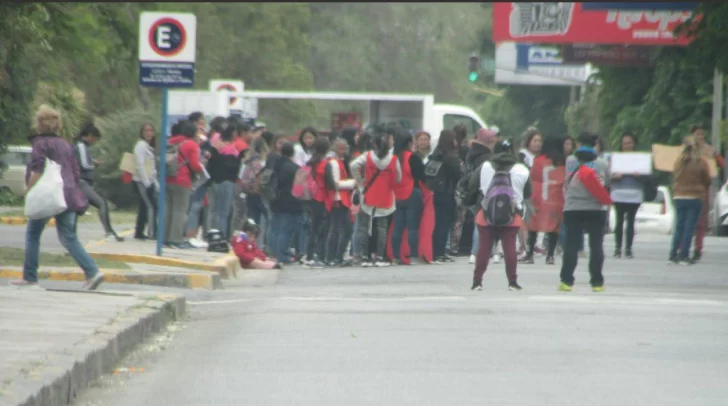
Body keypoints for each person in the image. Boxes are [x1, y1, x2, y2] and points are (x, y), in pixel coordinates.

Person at [10, 105, 104, 290]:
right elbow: (75, 171)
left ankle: (30, 277)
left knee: (33, 234)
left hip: (48, 196)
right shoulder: (65, 144)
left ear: (39, 124)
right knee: (69, 237)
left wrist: (27, 190)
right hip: (68, 195)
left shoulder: (40, 143)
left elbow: (38, 168)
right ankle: (92, 271)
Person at [471, 139, 531, 291]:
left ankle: (477, 282)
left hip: (486, 213)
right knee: (510, 247)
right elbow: (528, 193)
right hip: (512, 214)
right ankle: (512, 282)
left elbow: (473, 186)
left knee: (484, 248)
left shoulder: (484, 166)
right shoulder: (522, 169)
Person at [559, 133, 612, 293]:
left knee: (571, 245)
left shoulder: (570, 161)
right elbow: (607, 183)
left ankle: (566, 281)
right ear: (596, 144)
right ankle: (597, 282)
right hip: (595, 209)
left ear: (579, 144)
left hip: (572, 208)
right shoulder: (602, 163)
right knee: (596, 245)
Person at [349, 133, 402, 267]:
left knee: (365, 227)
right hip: (385, 196)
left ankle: (365, 257)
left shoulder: (367, 156)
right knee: (382, 228)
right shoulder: (394, 159)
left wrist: (361, 181)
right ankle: (379, 257)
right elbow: (399, 178)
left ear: (374, 144)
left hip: (368, 195)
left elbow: (353, 165)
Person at [73, 123, 125, 242]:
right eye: (95, 138)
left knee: (76, 211)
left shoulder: (81, 146)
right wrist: (94, 164)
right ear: (90, 136)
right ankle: (109, 232)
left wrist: (92, 161)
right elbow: (84, 164)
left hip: (82, 182)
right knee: (102, 203)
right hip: (81, 182)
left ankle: (72, 239)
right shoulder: (81, 146)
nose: (95, 142)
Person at [520, 136, 566, 265]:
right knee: (554, 228)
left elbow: (534, 178)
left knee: (533, 227)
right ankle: (550, 255)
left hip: (540, 198)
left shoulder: (539, 160)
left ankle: (529, 254)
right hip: (556, 199)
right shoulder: (562, 162)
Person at [669, 135, 712, 265]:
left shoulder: (678, 161)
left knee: (679, 226)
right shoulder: (701, 162)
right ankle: (684, 255)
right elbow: (707, 181)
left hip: (679, 196)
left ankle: (672, 255)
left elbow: (674, 176)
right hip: (695, 197)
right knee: (689, 227)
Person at [164, 120, 203, 249]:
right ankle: (175, 239)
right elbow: (194, 165)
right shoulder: (191, 144)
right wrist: (201, 168)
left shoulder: (171, 141)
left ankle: (164, 237)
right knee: (180, 211)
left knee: (168, 209)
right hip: (182, 179)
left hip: (168, 177)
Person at [390, 130, 426, 265]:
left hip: (396, 195)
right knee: (412, 227)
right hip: (412, 193)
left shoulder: (392, 158)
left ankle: (395, 256)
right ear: (409, 142)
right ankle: (414, 256)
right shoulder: (413, 157)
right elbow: (422, 177)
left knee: (397, 227)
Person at [689, 124, 725, 262]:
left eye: (702, 134)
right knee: (687, 219)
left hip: (704, 188)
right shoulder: (687, 150)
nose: (700, 137)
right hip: (688, 188)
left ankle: (698, 248)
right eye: (698, 134)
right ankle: (682, 246)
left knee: (700, 221)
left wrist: (715, 153)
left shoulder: (709, 150)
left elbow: (722, 164)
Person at [428, 129, 463, 264]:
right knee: (444, 224)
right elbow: (457, 174)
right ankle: (439, 253)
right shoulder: (451, 156)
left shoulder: (435, 154)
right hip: (448, 192)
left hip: (436, 191)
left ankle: (437, 251)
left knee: (438, 223)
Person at [610, 133, 647, 259]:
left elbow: (647, 176)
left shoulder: (640, 158)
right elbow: (606, 175)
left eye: (629, 143)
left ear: (634, 144)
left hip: (634, 193)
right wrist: (615, 176)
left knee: (631, 221)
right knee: (619, 221)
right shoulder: (615, 158)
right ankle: (617, 248)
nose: (627, 145)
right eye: (624, 143)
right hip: (618, 193)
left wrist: (639, 175)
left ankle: (628, 249)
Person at [466, 128, 499, 265]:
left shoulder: (471, 154)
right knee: (487, 224)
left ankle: (485, 252)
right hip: (487, 194)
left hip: (476, 194)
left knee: (480, 223)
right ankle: (482, 252)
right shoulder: (487, 158)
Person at [269, 142, 304, 264]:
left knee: (275, 229)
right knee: (286, 230)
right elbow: (300, 188)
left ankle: (274, 253)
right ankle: (283, 255)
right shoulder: (295, 168)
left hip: (274, 200)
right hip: (291, 202)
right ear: (293, 153)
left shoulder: (273, 165)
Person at [324, 138, 356, 266]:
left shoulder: (338, 161)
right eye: (340, 148)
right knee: (337, 229)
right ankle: (332, 257)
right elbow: (336, 184)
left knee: (343, 229)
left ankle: (336, 256)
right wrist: (353, 183)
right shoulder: (334, 163)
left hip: (342, 199)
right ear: (334, 148)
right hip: (338, 199)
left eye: (345, 148)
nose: (343, 151)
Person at [207, 120, 241, 239]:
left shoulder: (216, 146)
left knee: (215, 210)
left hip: (215, 181)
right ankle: (220, 236)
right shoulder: (232, 150)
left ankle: (211, 234)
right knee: (224, 212)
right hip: (227, 182)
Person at [304, 136, 332, 268]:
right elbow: (330, 184)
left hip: (310, 197)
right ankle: (321, 255)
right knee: (322, 228)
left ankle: (309, 255)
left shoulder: (310, 162)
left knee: (313, 229)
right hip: (322, 198)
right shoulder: (326, 164)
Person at [132, 123, 158, 240]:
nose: (149, 133)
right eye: (146, 131)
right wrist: (146, 182)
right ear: (142, 133)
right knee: (151, 207)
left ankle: (139, 232)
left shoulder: (149, 146)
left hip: (149, 180)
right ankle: (152, 233)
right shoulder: (141, 145)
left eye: (151, 130)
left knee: (144, 206)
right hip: (142, 181)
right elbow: (139, 165)